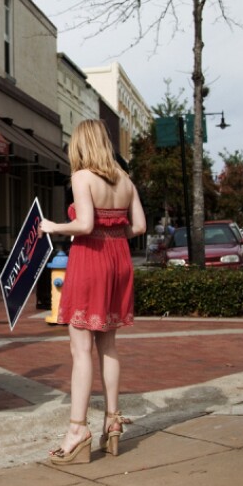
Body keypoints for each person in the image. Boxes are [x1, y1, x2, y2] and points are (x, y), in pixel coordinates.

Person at [38, 119, 146, 464]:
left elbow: (84, 224)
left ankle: (77, 429)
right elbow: (140, 226)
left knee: (80, 348)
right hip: (119, 259)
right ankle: (112, 420)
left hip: (91, 259)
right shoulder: (125, 180)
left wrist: (54, 227)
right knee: (109, 345)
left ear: (81, 145)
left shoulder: (82, 177)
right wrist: (114, 234)